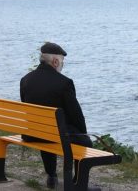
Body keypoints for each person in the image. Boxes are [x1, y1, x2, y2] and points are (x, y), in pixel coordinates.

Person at [20, 42, 94, 190]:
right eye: (62, 62)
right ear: (55, 61)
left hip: (33, 133)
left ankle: (52, 176)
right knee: (85, 142)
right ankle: (78, 183)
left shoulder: (26, 79)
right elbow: (76, 115)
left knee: (47, 130)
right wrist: (83, 133)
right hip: (54, 134)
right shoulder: (64, 83)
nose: (62, 65)